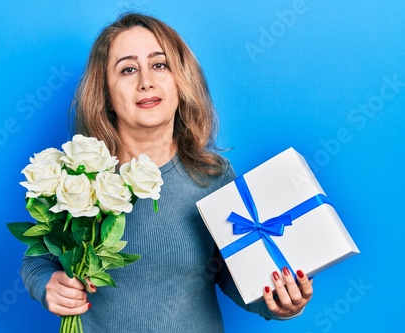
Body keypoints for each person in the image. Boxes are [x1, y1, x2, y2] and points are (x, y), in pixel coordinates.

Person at [21, 12, 313, 332]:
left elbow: (233, 277)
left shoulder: (212, 177)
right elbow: (40, 258)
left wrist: (282, 303)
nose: (146, 81)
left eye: (159, 65)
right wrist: (48, 283)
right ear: (105, 92)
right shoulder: (78, 178)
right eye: (128, 69)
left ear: (180, 81)